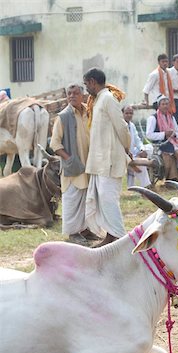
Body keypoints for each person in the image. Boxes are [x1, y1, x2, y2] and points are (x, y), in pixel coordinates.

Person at [83, 68, 131, 247]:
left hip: (110, 159)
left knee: (108, 197)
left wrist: (126, 147)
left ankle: (119, 238)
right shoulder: (98, 100)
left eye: (86, 84)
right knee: (102, 198)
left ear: (93, 82)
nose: (86, 88)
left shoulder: (108, 99)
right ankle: (111, 236)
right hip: (99, 160)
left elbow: (122, 127)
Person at [50, 83, 96, 244]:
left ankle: (84, 230)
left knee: (86, 200)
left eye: (75, 93)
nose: (71, 96)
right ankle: (72, 233)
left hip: (89, 164)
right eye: (69, 94)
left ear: (82, 95)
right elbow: (55, 144)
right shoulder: (63, 116)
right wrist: (69, 159)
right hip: (73, 166)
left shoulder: (89, 112)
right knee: (72, 199)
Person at [122, 105, 152, 189]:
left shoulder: (132, 125)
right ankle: (146, 187)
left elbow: (137, 140)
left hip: (132, 154)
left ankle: (136, 186)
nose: (129, 115)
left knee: (149, 148)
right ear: (122, 114)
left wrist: (142, 150)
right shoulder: (120, 126)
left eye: (131, 113)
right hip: (122, 156)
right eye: (127, 113)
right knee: (141, 167)